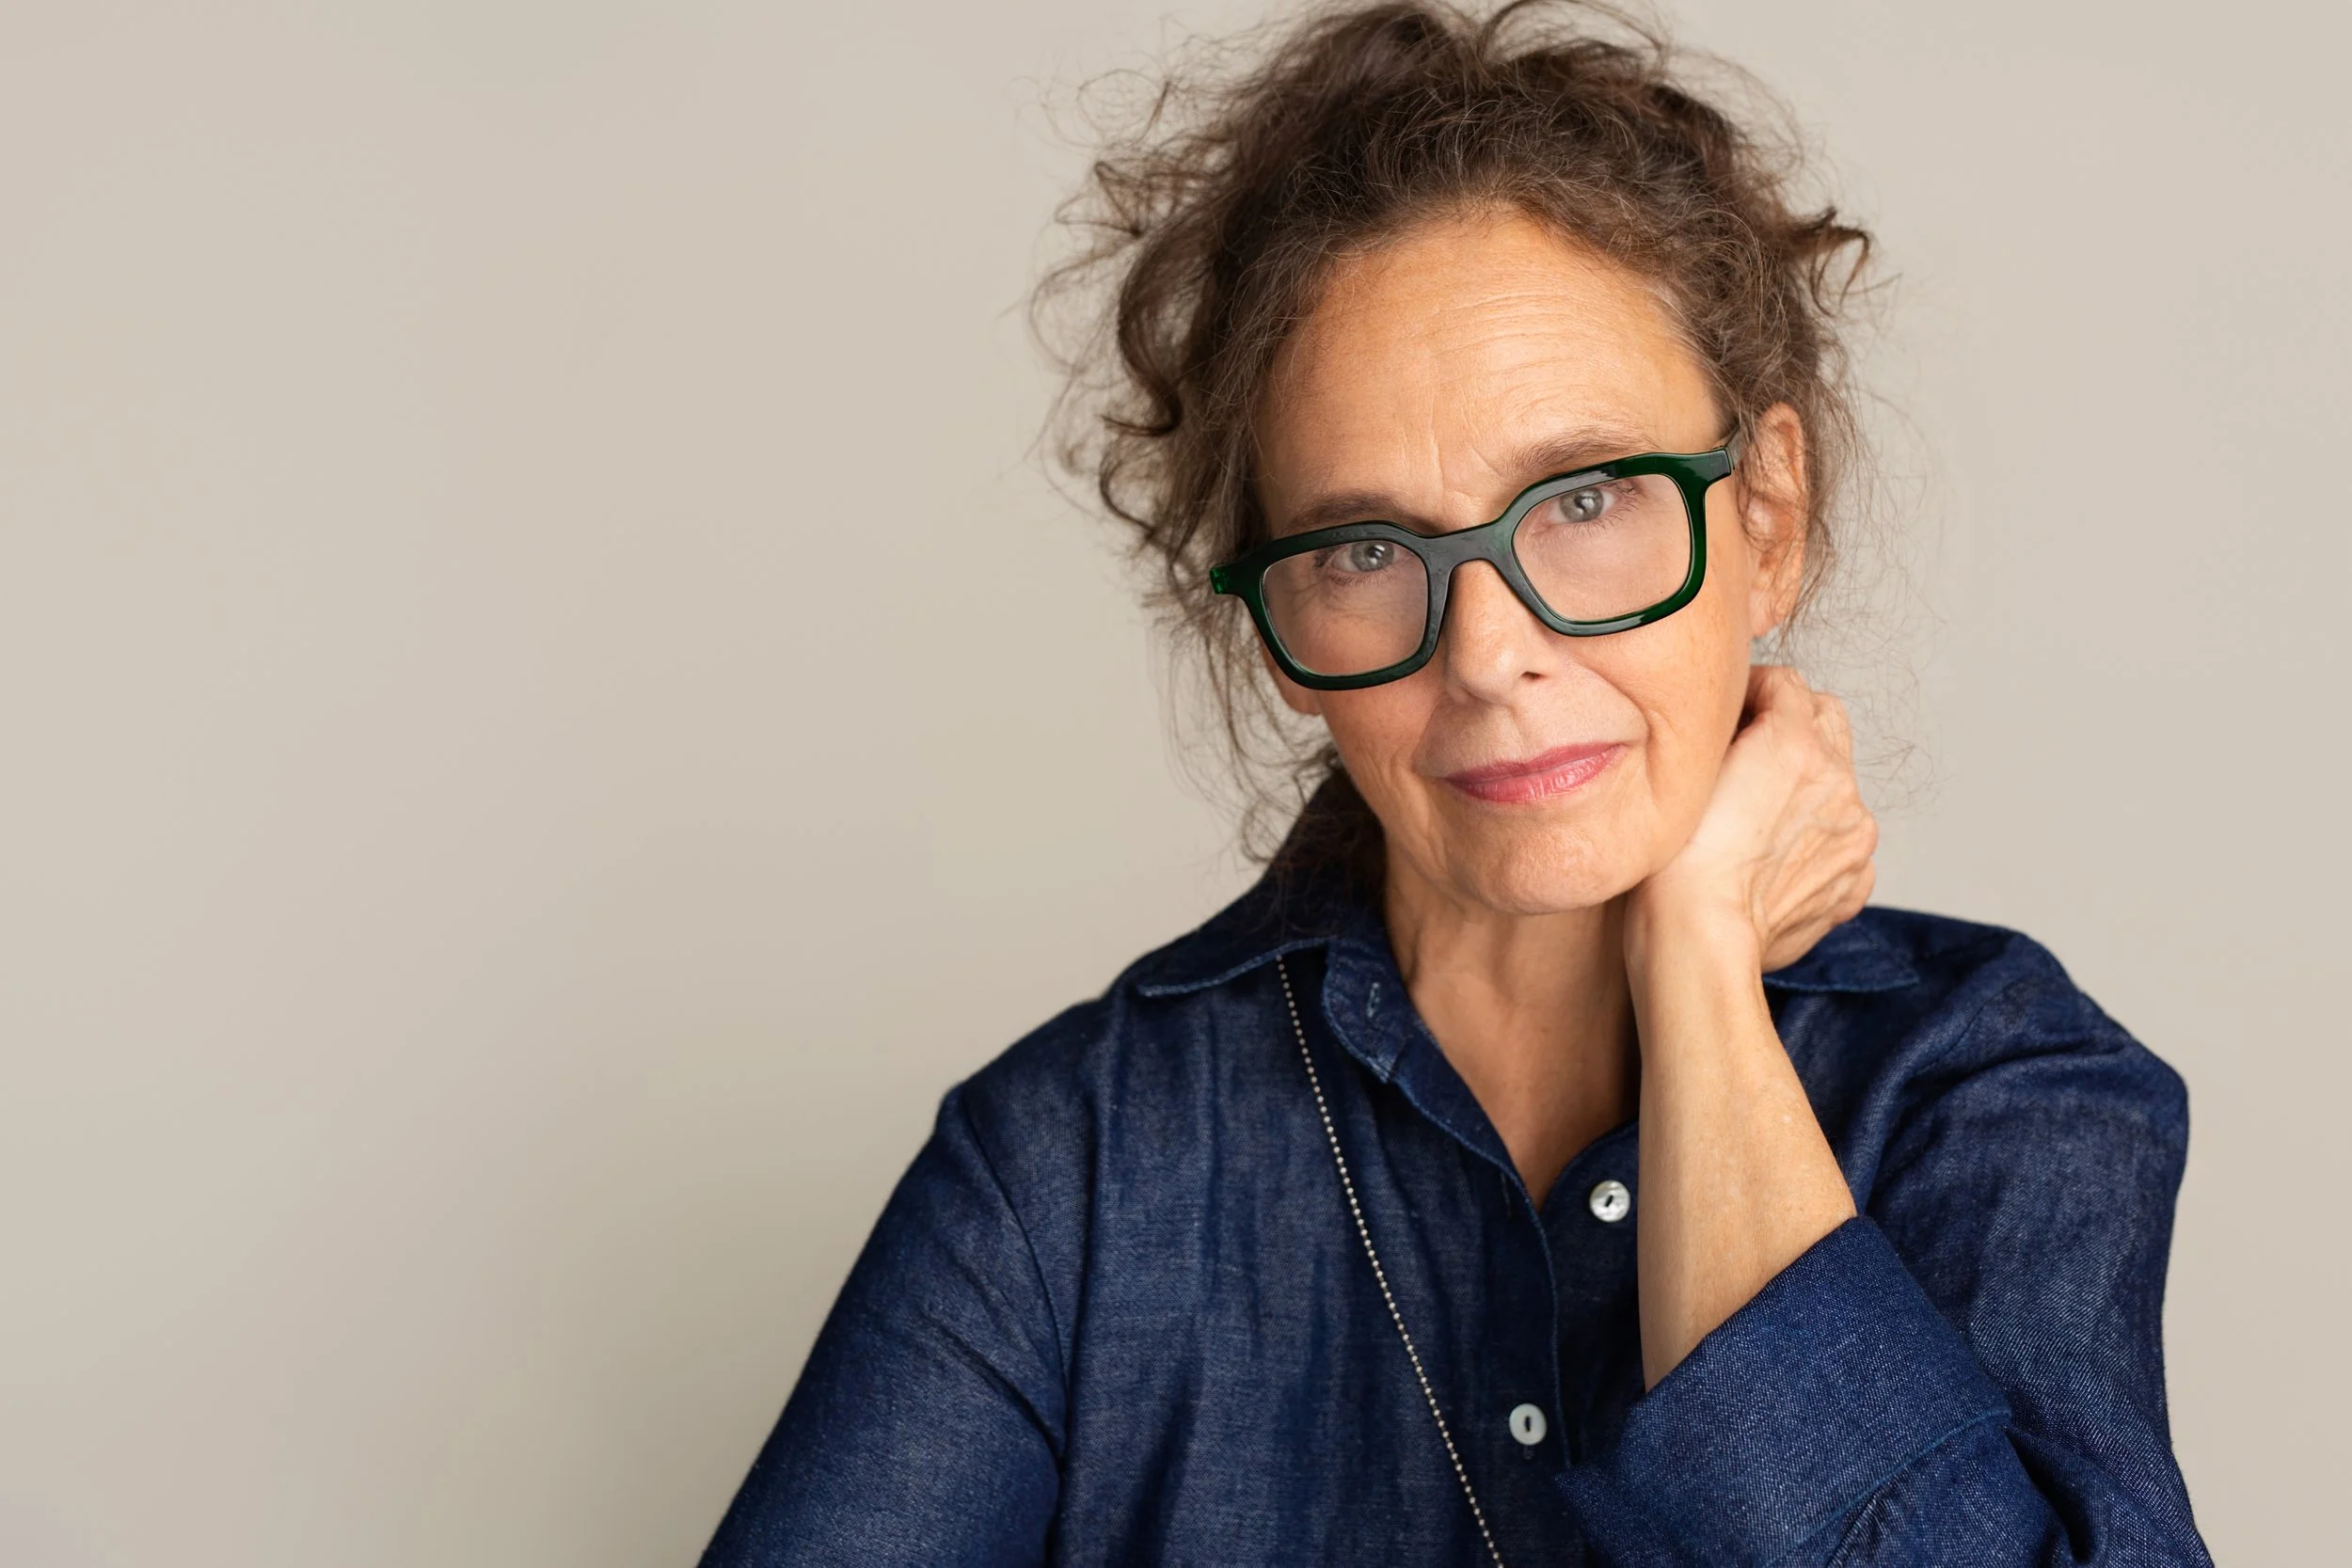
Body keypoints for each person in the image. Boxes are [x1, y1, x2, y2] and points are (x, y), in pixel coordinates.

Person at [698, 3, 2210, 1562]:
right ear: (1281, 627)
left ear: (1764, 516)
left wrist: (1698, 968)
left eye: (1586, 498)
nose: (1488, 651)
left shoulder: (1996, 1083)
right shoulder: (1071, 1170)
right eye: (1367, 550)